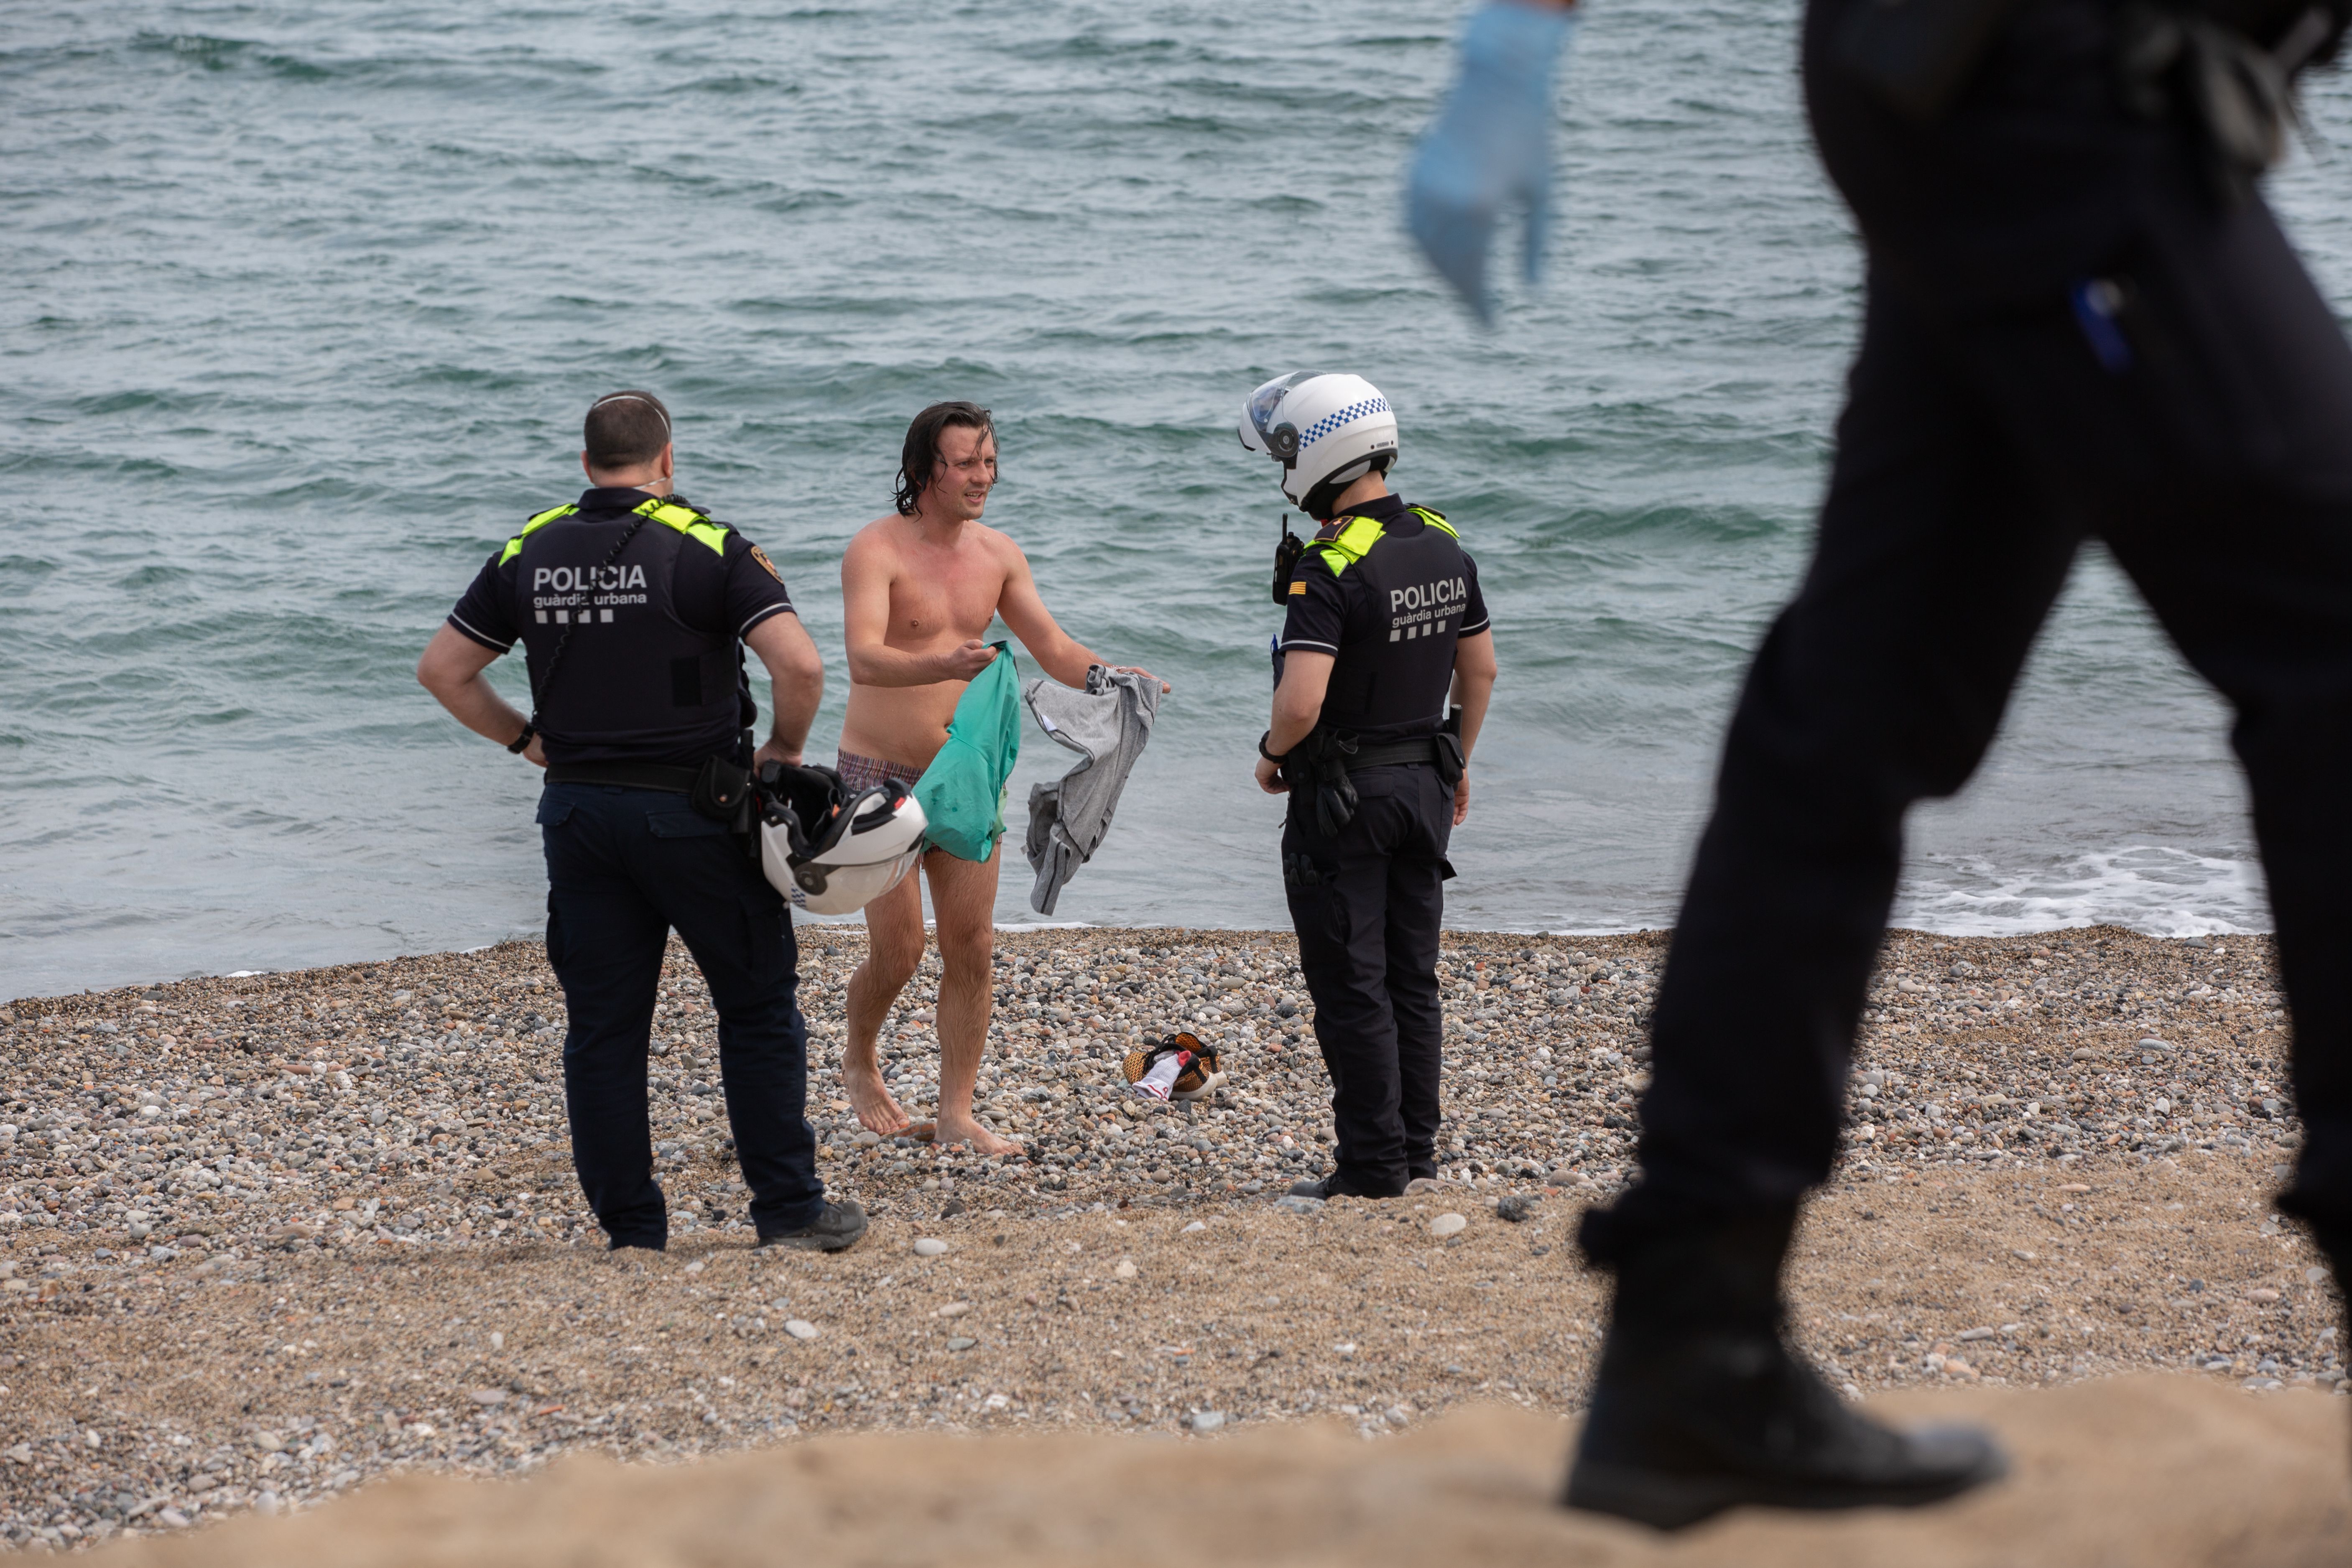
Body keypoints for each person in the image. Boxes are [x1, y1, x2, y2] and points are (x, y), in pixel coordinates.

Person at [1410, 0, 2352, 1532]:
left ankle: (1691, 1348)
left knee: (1852, 708)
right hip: (2055, 90)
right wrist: (1508, 44)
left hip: (1970, 88)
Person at [416, 389, 866, 1254]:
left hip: (580, 816)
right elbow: (799, 665)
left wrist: (524, 740)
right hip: (696, 814)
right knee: (756, 1007)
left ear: (587, 465)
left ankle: (631, 1233)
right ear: (667, 460)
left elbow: (444, 670)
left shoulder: (530, 547)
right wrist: (780, 747)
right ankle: (788, 1211)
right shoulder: (706, 545)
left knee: (605, 1026)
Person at [834, 401, 1165, 1154]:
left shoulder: (998, 554)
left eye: (989, 462)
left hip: (969, 769)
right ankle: (859, 1058)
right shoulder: (874, 549)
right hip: (880, 775)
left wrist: (1114, 678)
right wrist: (943, 665)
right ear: (924, 471)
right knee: (900, 953)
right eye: (965, 464)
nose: (982, 477)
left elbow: (1049, 645)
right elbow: (862, 659)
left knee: (973, 944)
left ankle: (955, 1113)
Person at [1237, 372, 1497, 1200]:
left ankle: (1371, 1169)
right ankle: (1414, 1156)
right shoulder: (1439, 538)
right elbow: (1479, 668)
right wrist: (1455, 760)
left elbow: (1303, 697)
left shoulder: (1330, 561)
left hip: (1344, 802)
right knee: (1409, 977)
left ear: (1317, 453)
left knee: (1352, 986)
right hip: (1425, 788)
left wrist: (1273, 753)